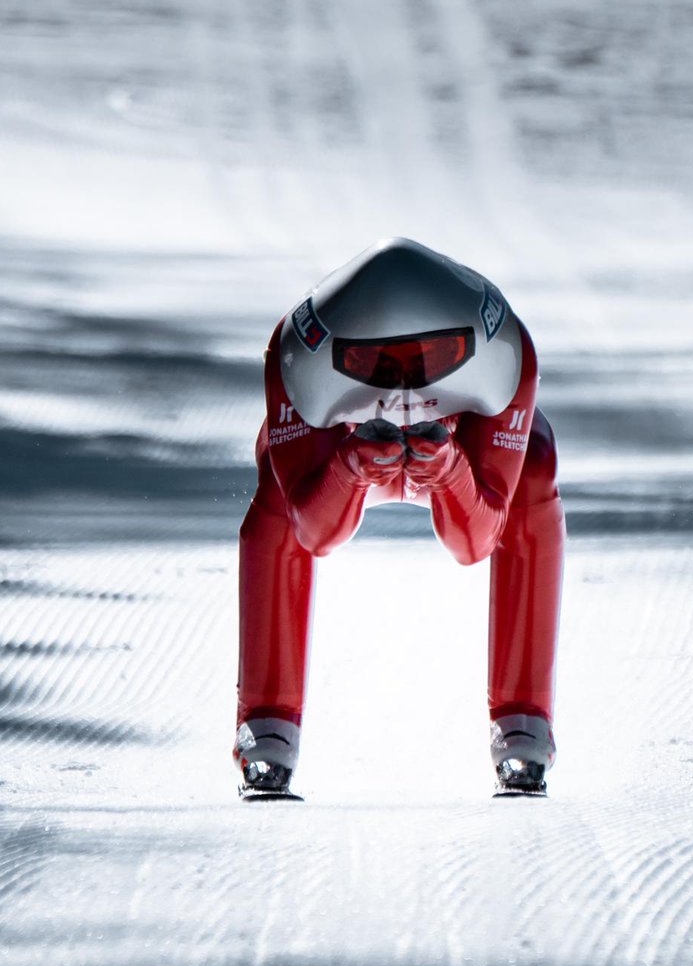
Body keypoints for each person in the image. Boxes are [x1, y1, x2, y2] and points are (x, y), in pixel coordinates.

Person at [233, 237, 566, 799]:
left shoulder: (507, 351)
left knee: (531, 468)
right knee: (278, 493)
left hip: (425, 456)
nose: (405, 388)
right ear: (336, 354)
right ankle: (266, 723)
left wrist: (450, 471)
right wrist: (350, 468)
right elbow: (314, 533)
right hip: (373, 453)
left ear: (469, 349)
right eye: (373, 365)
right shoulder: (298, 358)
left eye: (434, 360)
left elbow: (476, 542)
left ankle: (524, 722)